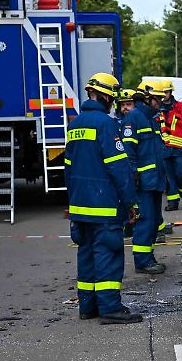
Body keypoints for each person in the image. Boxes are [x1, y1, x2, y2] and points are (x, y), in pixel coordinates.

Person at [65, 73, 142, 324]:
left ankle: (87, 307)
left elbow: (68, 167)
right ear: (107, 96)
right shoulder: (107, 125)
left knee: (86, 255)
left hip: (79, 206)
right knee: (108, 254)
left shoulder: (74, 125)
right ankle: (110, 308)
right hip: (104, 207)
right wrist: (130, 202)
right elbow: (119, 169)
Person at [122, 81, 169, 275]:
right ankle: (143, 261)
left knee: (153, 222)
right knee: (145, 222)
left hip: (154, 180)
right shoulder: (135, 118)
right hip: (143, 182)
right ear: (148, 98)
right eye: (158, 98)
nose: (161, 102)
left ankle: (148, 257)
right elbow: (128, 151)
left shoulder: (150, 118)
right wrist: (134, 176)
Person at [157, 79, 182, 210]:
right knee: (169, 178)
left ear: (170, 92)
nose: (164, 95)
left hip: (178, 148)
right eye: (162, 92)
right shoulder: (156, 109)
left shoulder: (181, 107)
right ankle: (173, 202)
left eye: (166, 92)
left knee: (181, 173)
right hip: (164, 148)